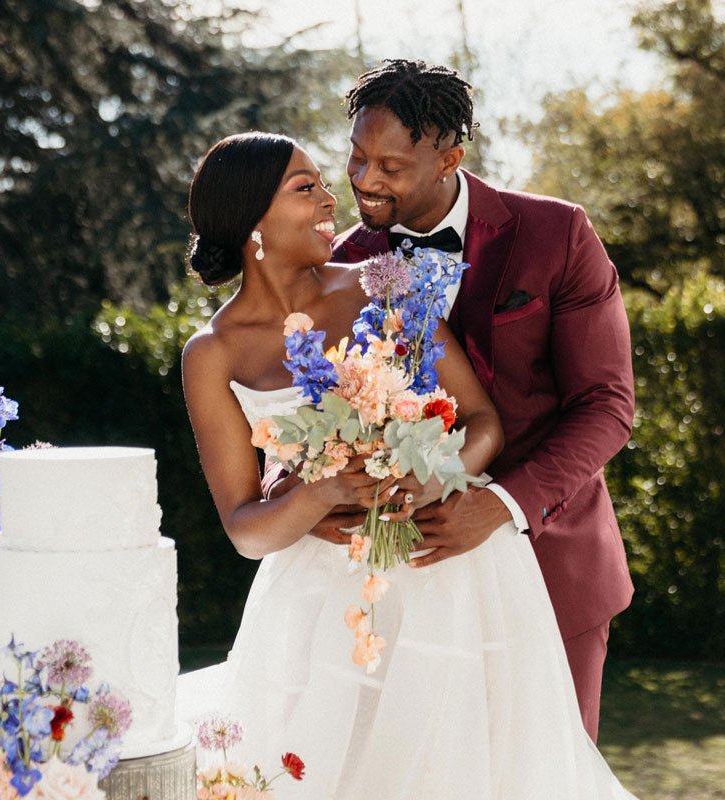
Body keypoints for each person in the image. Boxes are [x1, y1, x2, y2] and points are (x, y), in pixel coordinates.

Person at [178, 131, 636, 799]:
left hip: (452, 576)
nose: (333, 194)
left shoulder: (381, 288)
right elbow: (247, 529)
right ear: (253, 222)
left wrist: (429, 474)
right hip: (318, 606)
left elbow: (483, 425)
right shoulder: (210, 353)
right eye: (305, 188)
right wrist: (323, 490)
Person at [310, 59, 634, 742]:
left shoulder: (558, 235)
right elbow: (313, 404)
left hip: (552, 567)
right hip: (407, 584)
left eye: (391, 166)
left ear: (450, 158)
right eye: (357, 156)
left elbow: (607, 405)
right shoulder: (340, 264)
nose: (365, 180)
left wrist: (501, 505)